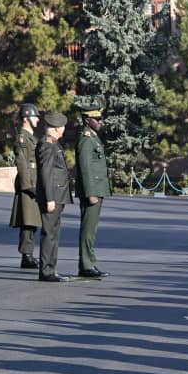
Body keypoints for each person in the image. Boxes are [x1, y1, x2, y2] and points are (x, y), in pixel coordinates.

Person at [35, 112, 72, 282]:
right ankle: (47, 271)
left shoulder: (53, 144)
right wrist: (50, 198)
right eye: (63, 127)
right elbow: (46, 172)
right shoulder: (47, 145)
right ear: (57, 128)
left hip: (58, 196)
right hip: (52, 197)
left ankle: (51, 269)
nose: (64, 130)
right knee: (49, 233)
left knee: (53, 233)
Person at [75, 104, 111, 278]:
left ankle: (90, 262)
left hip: (97, 190)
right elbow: (85, 169)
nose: (100, 122)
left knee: (92, 229)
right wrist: (90, 193)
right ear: (87, 120)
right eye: (97, 119)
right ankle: (86, 265)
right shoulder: (86, 139)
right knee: (88, 229)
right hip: (92, 191)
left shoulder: (93, 138)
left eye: (100, 119)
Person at [9, 103, 42, 269]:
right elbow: (21, 162)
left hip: (33, 182)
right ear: (26, 118)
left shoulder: (30, 136)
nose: (37, 119)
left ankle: (28, 255)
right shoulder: (22, 137)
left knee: (32, 221)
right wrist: (29, 185)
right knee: (28, 221)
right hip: (29, 184)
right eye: (35, 116)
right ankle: (26, 255)